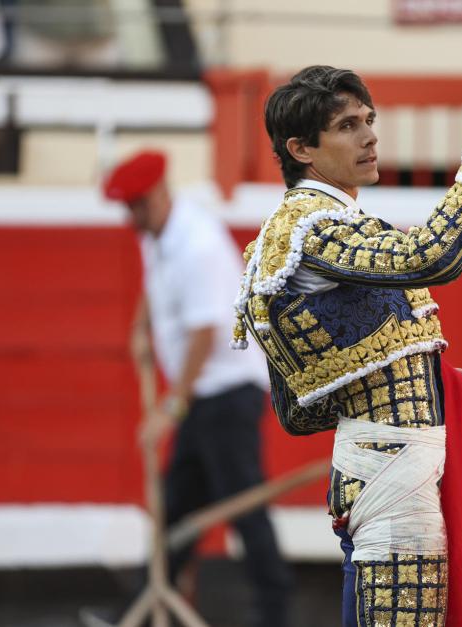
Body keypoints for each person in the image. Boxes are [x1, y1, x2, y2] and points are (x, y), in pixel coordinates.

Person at [232, 64, 462, 627]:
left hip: (379, 475)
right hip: (396, 489)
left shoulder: (296, 233)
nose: (371, 136)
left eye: (369, 120)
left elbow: (298, 410)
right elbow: (431, 256)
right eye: (348, 126)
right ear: (302, 148)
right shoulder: (314, 226)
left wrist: (416, 378)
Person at [92, 150, 292, 627]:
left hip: (225, 394)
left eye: (137, 206)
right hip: (205, 397)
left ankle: (276, 614)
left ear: (160, 195)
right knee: (177, 506)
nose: (132, 218)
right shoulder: (158, 233)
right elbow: (155, 284)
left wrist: (172, 405)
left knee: (242, 509)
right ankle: (141, 607)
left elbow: (206, 331)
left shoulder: (197, 244)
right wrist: (142, 326)